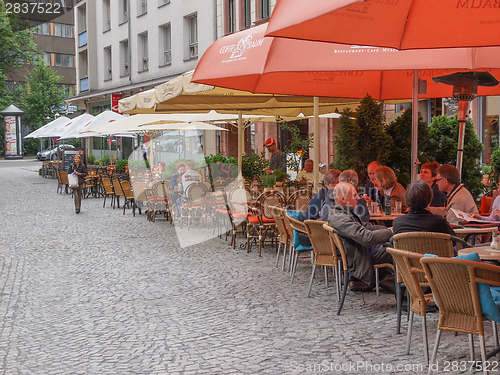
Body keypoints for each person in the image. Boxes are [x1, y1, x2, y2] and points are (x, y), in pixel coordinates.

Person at [328, 182, 393, 291]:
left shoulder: (342, 213)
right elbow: (366, 238)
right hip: (362, 258)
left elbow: (366, 227)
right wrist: (391, 232)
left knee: (398, 247)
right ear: (343, 199)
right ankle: (409, 291)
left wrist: (389, 229)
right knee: (400, 251)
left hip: (366, 252)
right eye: (354, 195)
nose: (358, 198)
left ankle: (400, 287)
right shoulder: (339, 218)